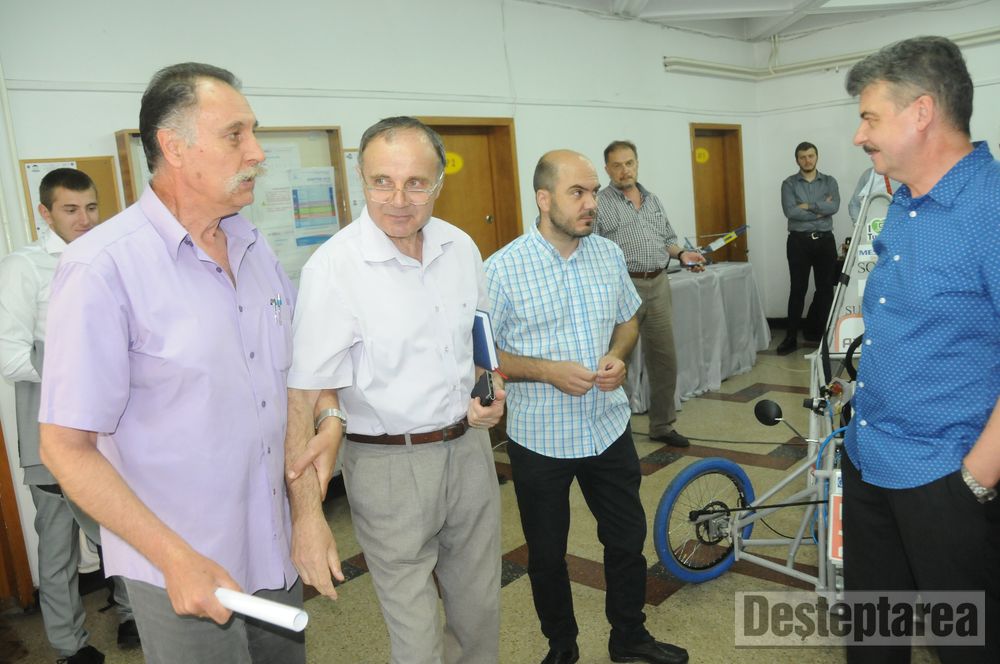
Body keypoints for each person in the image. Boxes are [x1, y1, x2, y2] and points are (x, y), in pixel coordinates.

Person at [37, 63, 303, 664]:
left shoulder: (254, 247)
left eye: (253, 132)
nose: (257, 152)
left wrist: (306, 514)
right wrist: (173, 558)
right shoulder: (102, 268)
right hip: (182, 565)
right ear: (173, 147)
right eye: (235, 135)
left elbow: (287, 389)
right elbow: (64, 447)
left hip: (274, 544)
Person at [284, 116, 506, 664]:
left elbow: (480, 344)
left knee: (480, 613)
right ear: (361, 178)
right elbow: (303, 395)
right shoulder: (333, 268)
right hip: (388, 467)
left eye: (416, 183)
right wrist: (307, 515)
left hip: (469, 452)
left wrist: (491, 387)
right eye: (382, 181)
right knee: (416, 637)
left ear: (439, 183)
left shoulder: (460, 247)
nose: (399, 200)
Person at [485, 149, 688, 664]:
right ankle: (562, 646)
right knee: (547, 553)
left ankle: (630, 637)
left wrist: (618, 355)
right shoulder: (502, 269)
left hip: (606, 425)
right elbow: (485, 356)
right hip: (540, 437)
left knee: (625, 539)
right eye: (577, 192)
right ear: (543, 198)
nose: (591, 203)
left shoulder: (607, 254)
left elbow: (628, 319)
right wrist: (547, 371)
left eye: (593, 192)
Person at [842, 36, 1000, 663]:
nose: (859, 135)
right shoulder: (905, 203)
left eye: (869, 117)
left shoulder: (990, 209)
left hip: (946, 481)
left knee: (967, 649)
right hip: (869, 459)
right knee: (873, 643)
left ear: (922, 112)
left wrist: (975, 481)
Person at [0, 169, 138, 662]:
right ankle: (68, 645)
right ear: (45, 212)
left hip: (106, 423)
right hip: (48, 426)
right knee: (57, 543)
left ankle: (132, 613)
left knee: (120, 527)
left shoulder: (110, 257)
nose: (85, 219)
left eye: (92, 208)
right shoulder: (24, 267)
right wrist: (73, 369)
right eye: (71, 209)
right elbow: (9, 355)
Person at [595, 140, 705, 448]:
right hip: (622, 288)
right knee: (618, 363)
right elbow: (591, 249)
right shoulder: (600, 204)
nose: (624, 170)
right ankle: (615, 431)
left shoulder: (652, 200)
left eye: (629, 163)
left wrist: (682, 254)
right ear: (607, 169)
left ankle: (662, 425)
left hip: (658, 284)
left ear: (637, 163)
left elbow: (668, 239)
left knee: (664, 360)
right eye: (617, 165)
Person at [777, 141, 840, 354]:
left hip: (825, 241)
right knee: (798, 289)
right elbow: (791, 212)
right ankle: (791, 338)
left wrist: (807, 206)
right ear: (797, 160)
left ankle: (826, 338)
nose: (807, 160)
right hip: (799, 242)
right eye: (802, 157)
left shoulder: (830, 181)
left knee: (826, 290)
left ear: (817, 157)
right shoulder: (789, 184)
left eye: (811, 156)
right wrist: (821, 210)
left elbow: (834, 206)